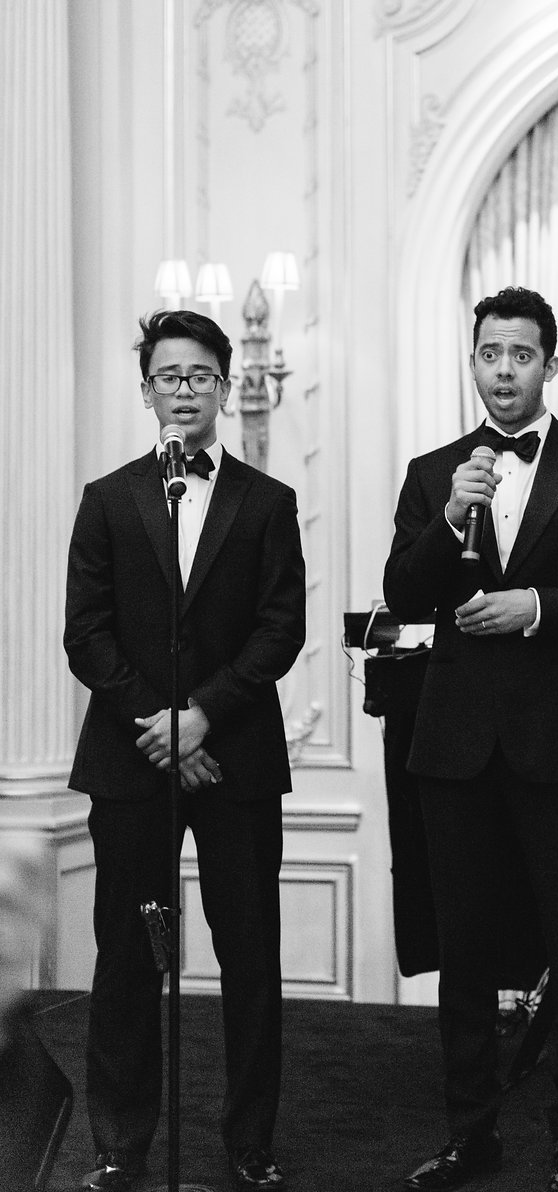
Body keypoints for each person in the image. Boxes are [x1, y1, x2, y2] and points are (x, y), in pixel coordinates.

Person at [384, 286, 558, 1192]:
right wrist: (448, 518)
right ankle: (471, 1134)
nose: (504, 370)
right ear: (474, 362)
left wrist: (537, 607)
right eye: (490, 354)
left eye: (522, 355)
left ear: (551, 364)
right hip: (456, 744)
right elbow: (404, 591)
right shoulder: (434, 472)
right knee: (463, 950)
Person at [64, 309, 306, 1192]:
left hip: (236, 757)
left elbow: (281, 629)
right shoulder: (107, 499)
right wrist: (163, 727)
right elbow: (86, 635)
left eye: (201, 375)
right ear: (146, 390)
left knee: (250, 957)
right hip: (132, 762)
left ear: (226, 386)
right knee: (128, 957)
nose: (185, 389)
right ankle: (120, 1144)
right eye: (169, 375)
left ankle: (251, 1142)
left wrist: (203, 715)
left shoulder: (268, 501)